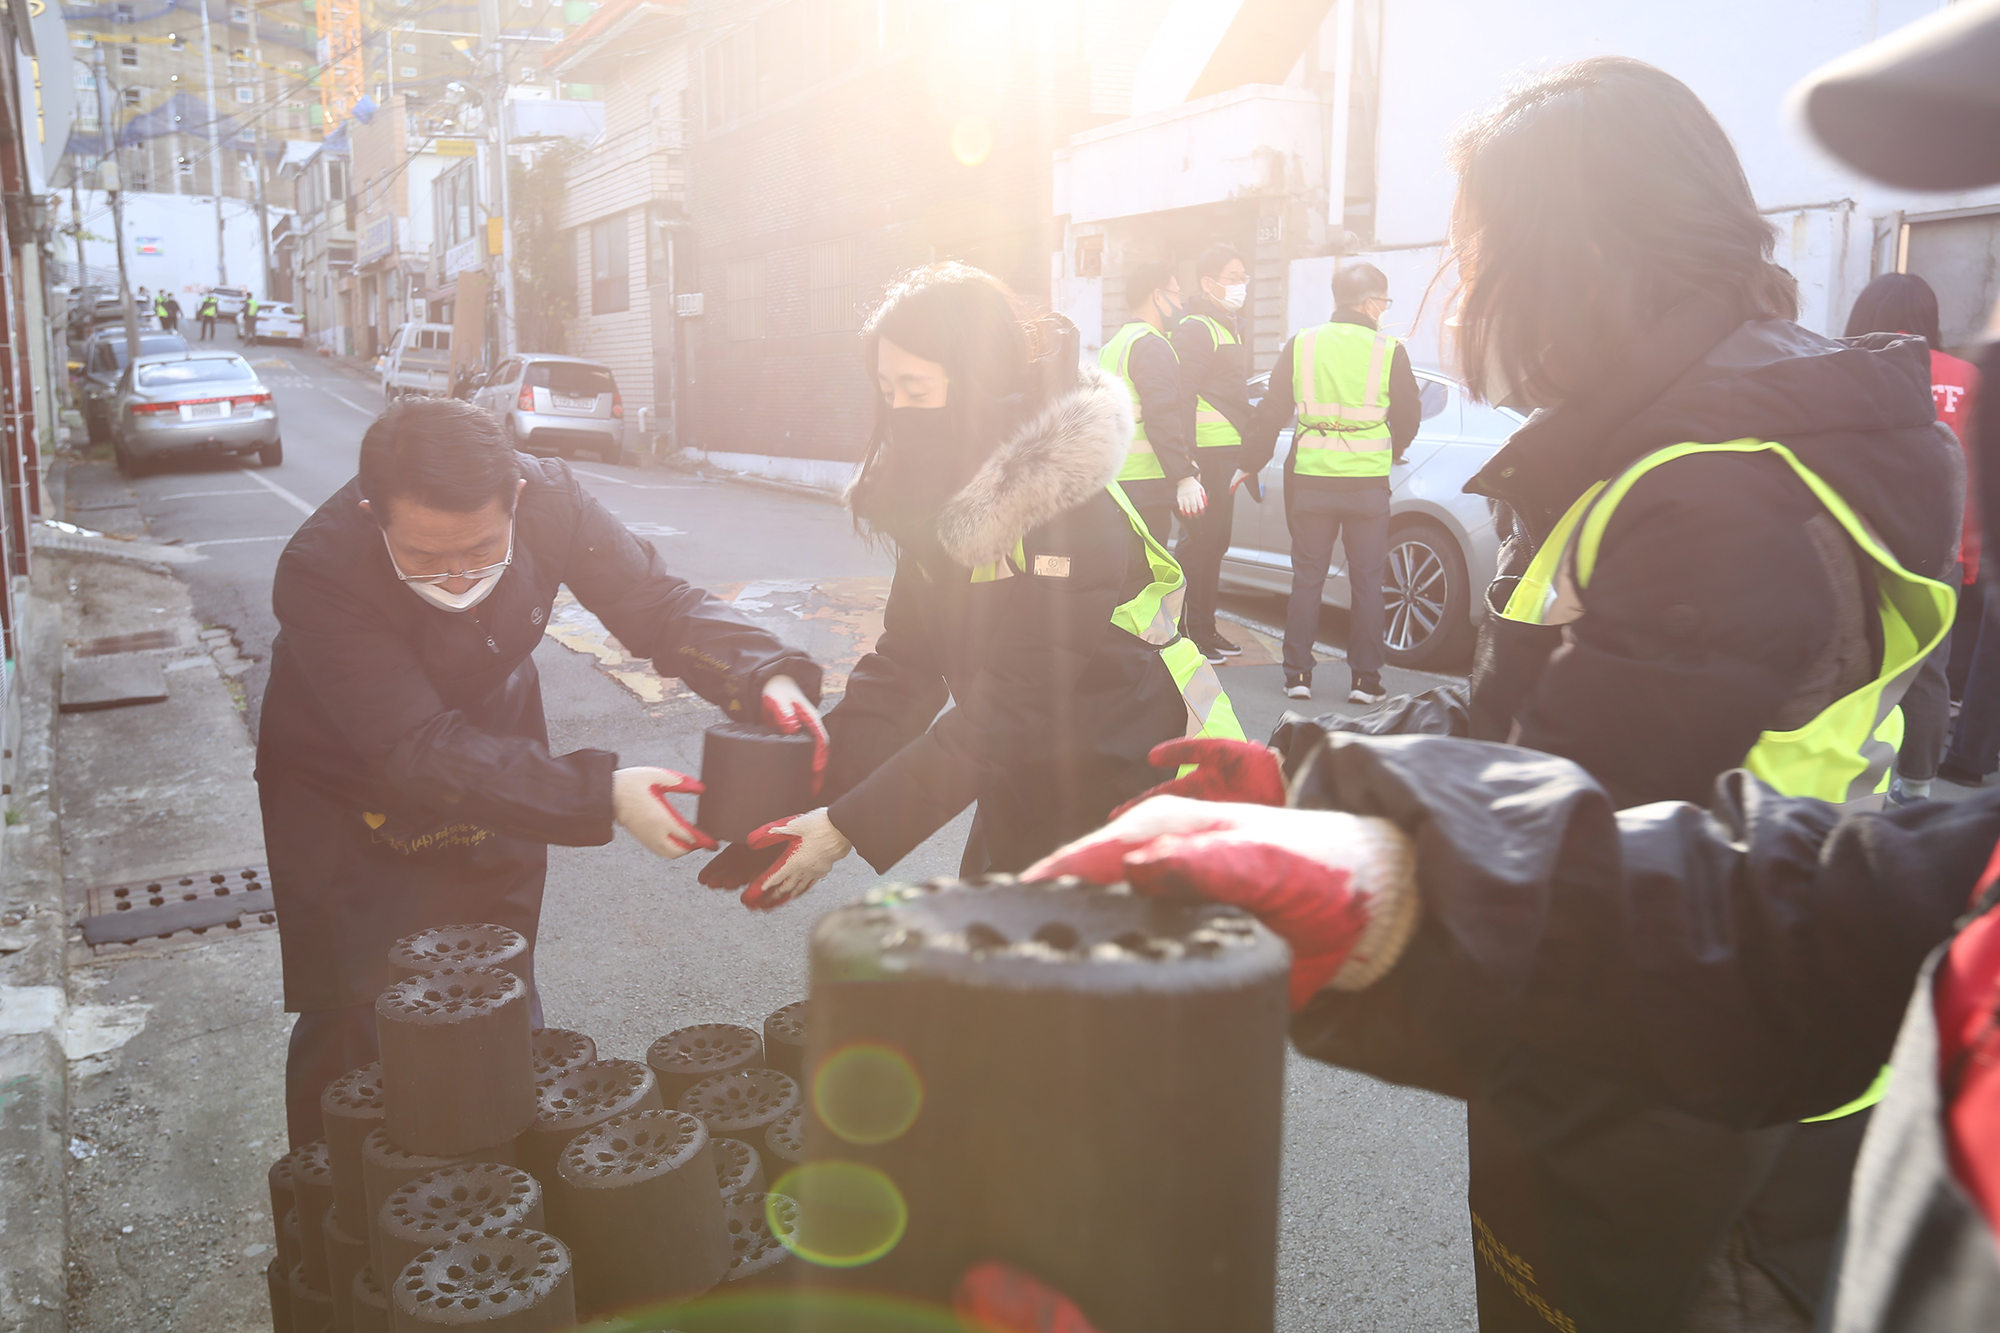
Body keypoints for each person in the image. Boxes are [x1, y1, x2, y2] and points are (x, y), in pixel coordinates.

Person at [1210, 56, 1959, 1332]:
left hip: (1685, 1080)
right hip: (1722, 1025)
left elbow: (1563, 812)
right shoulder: (1698, 427)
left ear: (1572, 253)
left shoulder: (1718, 483)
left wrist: (1326, 857)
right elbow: (1510, 721)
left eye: (1473, 249)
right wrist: (1308, 782)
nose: (1460, 296)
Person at [256, 397, 828, 1146]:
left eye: (482, 548)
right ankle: (339, 1206)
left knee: (496, 969)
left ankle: (499, 1164)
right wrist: (603, 794)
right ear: (373, 512)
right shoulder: (319, 567)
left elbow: (655, 603)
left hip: (498, 749)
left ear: (516, 498)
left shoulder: (552, 498)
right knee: (361, 1010)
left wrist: (763, 676)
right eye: (425, 557)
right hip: (348, 779)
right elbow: (415, 746)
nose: (458, 576)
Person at [696, 263, 1243, 908]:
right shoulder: (947, 498)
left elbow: (1014, 702)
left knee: (1096, 983)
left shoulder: (1072, 511)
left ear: (981, 383)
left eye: (917, 390)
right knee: (1006, 966)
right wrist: (796, 800)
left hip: (1144, 771)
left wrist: (846, 829)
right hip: (1031, 765)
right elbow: (908, 665)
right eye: (887, 389)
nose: (900, 410)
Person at [1242, 262, 1419, 703]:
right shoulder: (1389, 349)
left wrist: (1249, 461)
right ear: (1370, 302)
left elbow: (1272, 408)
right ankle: (1365, 682)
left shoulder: (1303, 343)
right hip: (1366, 486)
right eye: (1384, 301)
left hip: (1312, 481)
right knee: (1367, 583)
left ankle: (1297, 677)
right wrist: (1390, 450)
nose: (1384, 309)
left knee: (1307, 579)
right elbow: (1409, 415)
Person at [1843, 272, 1983, 802]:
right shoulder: (1968, 378)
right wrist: (1967, 557)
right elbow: (1972, 475)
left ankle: (1843, 780)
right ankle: (1917, 788)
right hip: (1937, 546)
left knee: (1851, 661)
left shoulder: (1841, 364)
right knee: (1926, 673)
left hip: (1859, 539)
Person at [1170, 244, 1254, 665]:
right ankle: (1186, 633)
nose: (1241, 285)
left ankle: (1206, 628)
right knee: (1197, 544)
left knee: (1215, 543)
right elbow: (1183, 394)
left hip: (1226, 455)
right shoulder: (1195, 327)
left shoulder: (1228, 325)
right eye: (1233, 277)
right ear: (1208, 283)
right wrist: (1188, 462)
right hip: (1205, 456)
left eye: (1244, 277)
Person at [1099, 259, 1200, 542]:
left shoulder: (1114, 344)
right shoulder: (1152, 344)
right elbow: (1162, 415)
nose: (1181, 306)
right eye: (1177, 295)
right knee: (1148, 576)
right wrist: (1184, 476)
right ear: (1158, 296)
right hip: (1146, 484)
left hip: (1116, 480)